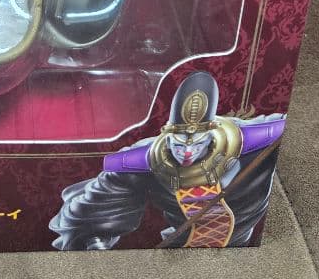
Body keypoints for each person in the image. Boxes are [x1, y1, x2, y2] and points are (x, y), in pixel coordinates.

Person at [49, 71, 285, 249]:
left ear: (211, 135)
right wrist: (92, 248)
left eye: (197, 144)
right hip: (176, 253)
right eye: (180, 144)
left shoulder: (257, 140)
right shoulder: (142, 161)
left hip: (240, 250)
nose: (187, 152)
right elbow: (86, 217)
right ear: (168, 134)